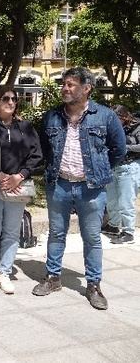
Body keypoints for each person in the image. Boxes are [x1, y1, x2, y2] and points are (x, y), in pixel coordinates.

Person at [32, 67, 126, 310]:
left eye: (71, 85)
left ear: (87, 89)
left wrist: (99, 170)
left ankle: (93, 284)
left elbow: (119, 149)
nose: (65, 88)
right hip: (59, 184)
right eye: (64, 84)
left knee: (92, 237)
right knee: (56, 233)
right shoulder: (52, 116)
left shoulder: (104, 116)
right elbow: (45, 148)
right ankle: (53, 278)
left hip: (91, 188)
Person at [0, 86, 42, 294]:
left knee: (11, 232)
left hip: (17, 186)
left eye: (14, 99)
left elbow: (36, 156)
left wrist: (20, 176)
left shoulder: (26, 128)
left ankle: (5, 271)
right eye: (6, 98)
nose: (11, 102)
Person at [103, 105, 140, 244]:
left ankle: (128, 232)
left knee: (126, 201)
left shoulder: (137, 127)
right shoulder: (113, 129)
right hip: (114, 167)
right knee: (111, 199)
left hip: (130, 167)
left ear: (124, 117)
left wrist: (125, 147)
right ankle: (113, 226)